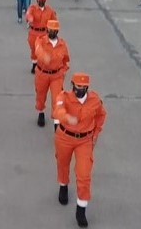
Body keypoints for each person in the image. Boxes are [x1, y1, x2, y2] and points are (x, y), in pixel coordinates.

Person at [52, 72, 107, 227]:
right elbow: (58, 110)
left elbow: (101, 116)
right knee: (62, 163)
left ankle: (81, 209)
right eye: (77, 86)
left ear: (87, 87)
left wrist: (95, 134)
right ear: (72, 85)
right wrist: (67, 118)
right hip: (65, 137)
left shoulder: (95, 100)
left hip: (84, 140)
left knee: (84, 174)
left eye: (83, 87)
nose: (80, 89)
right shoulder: (64, 97)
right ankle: (63, 185)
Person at [33, 19, 70, 128]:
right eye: (50, 30)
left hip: (56, 75)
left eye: (54, 30)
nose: (51, 32)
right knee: (40, 95)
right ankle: (41, 112)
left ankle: (56, 123)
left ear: (57, 31)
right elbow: (38, 50)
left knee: (57, 99)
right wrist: (44, 56)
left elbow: (66, 60)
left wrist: (62, 71)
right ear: (47, 30)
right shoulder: (40, 40)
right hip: (42, 73)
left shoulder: (62, 45)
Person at [24, 0, 57, 73]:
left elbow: (54, 21)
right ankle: (34, 65)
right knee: (34, 50)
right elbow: (28, 14)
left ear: (45, 0)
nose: (41, 1)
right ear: (36, 0)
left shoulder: (50, 10)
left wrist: (54, 31)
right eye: (40, 0)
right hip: (34, 33)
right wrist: (30, 18)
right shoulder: (32, 8)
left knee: (46, 50)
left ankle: (43, 65)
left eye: (43, 0)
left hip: (45, 33)